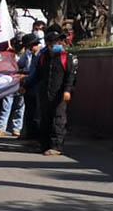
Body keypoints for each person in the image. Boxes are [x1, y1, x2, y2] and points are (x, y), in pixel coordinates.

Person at [23, 26, 78, 156]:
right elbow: (37, 76)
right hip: (45, 93)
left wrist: (67, 91)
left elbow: (71, 76)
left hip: (60, 94)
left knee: (58, 120)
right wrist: (24, 85)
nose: (58, 44)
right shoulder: (43, 58)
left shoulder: (67, 57)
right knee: (44, 119)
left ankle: (56, 146)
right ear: (48, 44)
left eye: (59, 42)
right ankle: (44, 145)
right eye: (54, 42)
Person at [0, 34, 35, 137]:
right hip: (11, 82)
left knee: (20, 107)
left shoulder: (28, 53)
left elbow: (28, 68)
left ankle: (16, 128)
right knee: (6, 105)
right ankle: (1, 128)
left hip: (23, 82)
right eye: (18, 41)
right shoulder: (10, 53)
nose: (20, 44)